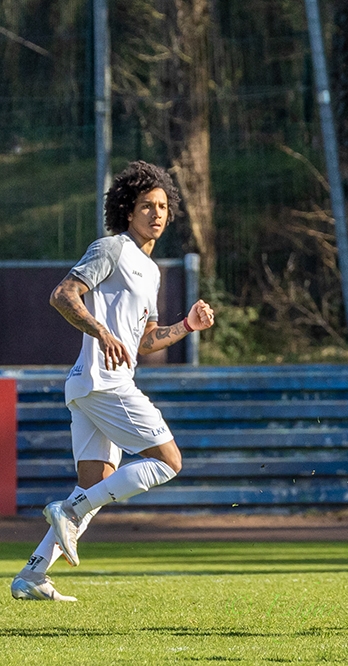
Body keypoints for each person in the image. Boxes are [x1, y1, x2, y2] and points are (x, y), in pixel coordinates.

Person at [10, 161, 215, 602]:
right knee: (168, 462)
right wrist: (100, 331)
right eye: (147, 206)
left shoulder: (151, 269)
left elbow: (144, 341)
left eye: (162, 206)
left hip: (92, 387)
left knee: (93, 484)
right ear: (127, 210)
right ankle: (69, 511)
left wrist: (186, 326)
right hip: (105, 382)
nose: (157, 214)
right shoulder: (112, 249)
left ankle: (32, 574)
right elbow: (62, 295)